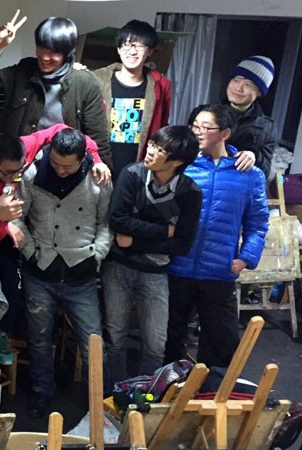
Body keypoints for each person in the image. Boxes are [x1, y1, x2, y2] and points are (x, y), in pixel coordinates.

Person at [0, 124, 100, 365]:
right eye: (9, 173)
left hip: (37, 250)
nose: (17, 176)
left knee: (13, 291)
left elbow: (63, 130)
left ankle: (3, 335)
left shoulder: (25, 150)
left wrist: (98, 160)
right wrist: (3, 223)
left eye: (20, 169)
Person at [13, 127, 112, 418]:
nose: (60, 170)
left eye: (67, 166)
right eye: (55, 163)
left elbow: (107, 223)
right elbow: (17, 218)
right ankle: (42, 390)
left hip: (81, 272)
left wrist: (97, 255)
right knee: (39, 337)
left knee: (93, 341)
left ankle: (101, 399)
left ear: (83, 159)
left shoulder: (98, 178)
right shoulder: (32, 174)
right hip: (40, 269)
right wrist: (29, 251)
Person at [165, 104, 269, 368]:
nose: (197, 132)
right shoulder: (181, 166)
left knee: (221, 344)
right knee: (169, 338)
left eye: (205, 127)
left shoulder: (249, 174)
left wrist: (245, 259)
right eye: (194, 126)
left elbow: (258, 224)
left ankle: (213, 389)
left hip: (219, 270)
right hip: (176, 266)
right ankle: (167, 388)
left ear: (225, 133)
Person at [101, 126, 202, 390]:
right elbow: (117, 219)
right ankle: (114, 394)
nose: (150, 151)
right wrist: (165, 231)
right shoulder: (132, 174)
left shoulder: (190, 193)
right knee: (115, 337)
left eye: (160, 149)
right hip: (118, 266)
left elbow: (183, 244)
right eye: (152, 144)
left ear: (177, 161)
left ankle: (145, 396)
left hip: (155, 272)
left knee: (155, 344)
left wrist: (135, 241)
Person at [0, 11, 111, 167]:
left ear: (67, 53)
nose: (44, 57)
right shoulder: (24, 70)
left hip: (60, 170)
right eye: (41, 48)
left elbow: (99, 137)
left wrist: (103, 169)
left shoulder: (85, 83)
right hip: (15, 164)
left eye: (53, 52)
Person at [92, 20, 172, 180]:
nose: (132, 51)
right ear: (118, 48)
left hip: (138, 169)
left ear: (149, 51)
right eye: (127, 45)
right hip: (100, 165)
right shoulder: (96, 80)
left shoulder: (160, 85)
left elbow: (162, 125)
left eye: (140, 46)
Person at [222, 56, 278, 181]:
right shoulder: (206, 113)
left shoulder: (267, 126)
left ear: (259, 92)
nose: (238, 88)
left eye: (247, 84)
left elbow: (265, 172)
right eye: (236, 80)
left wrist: (253, 156)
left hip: (238, 186)